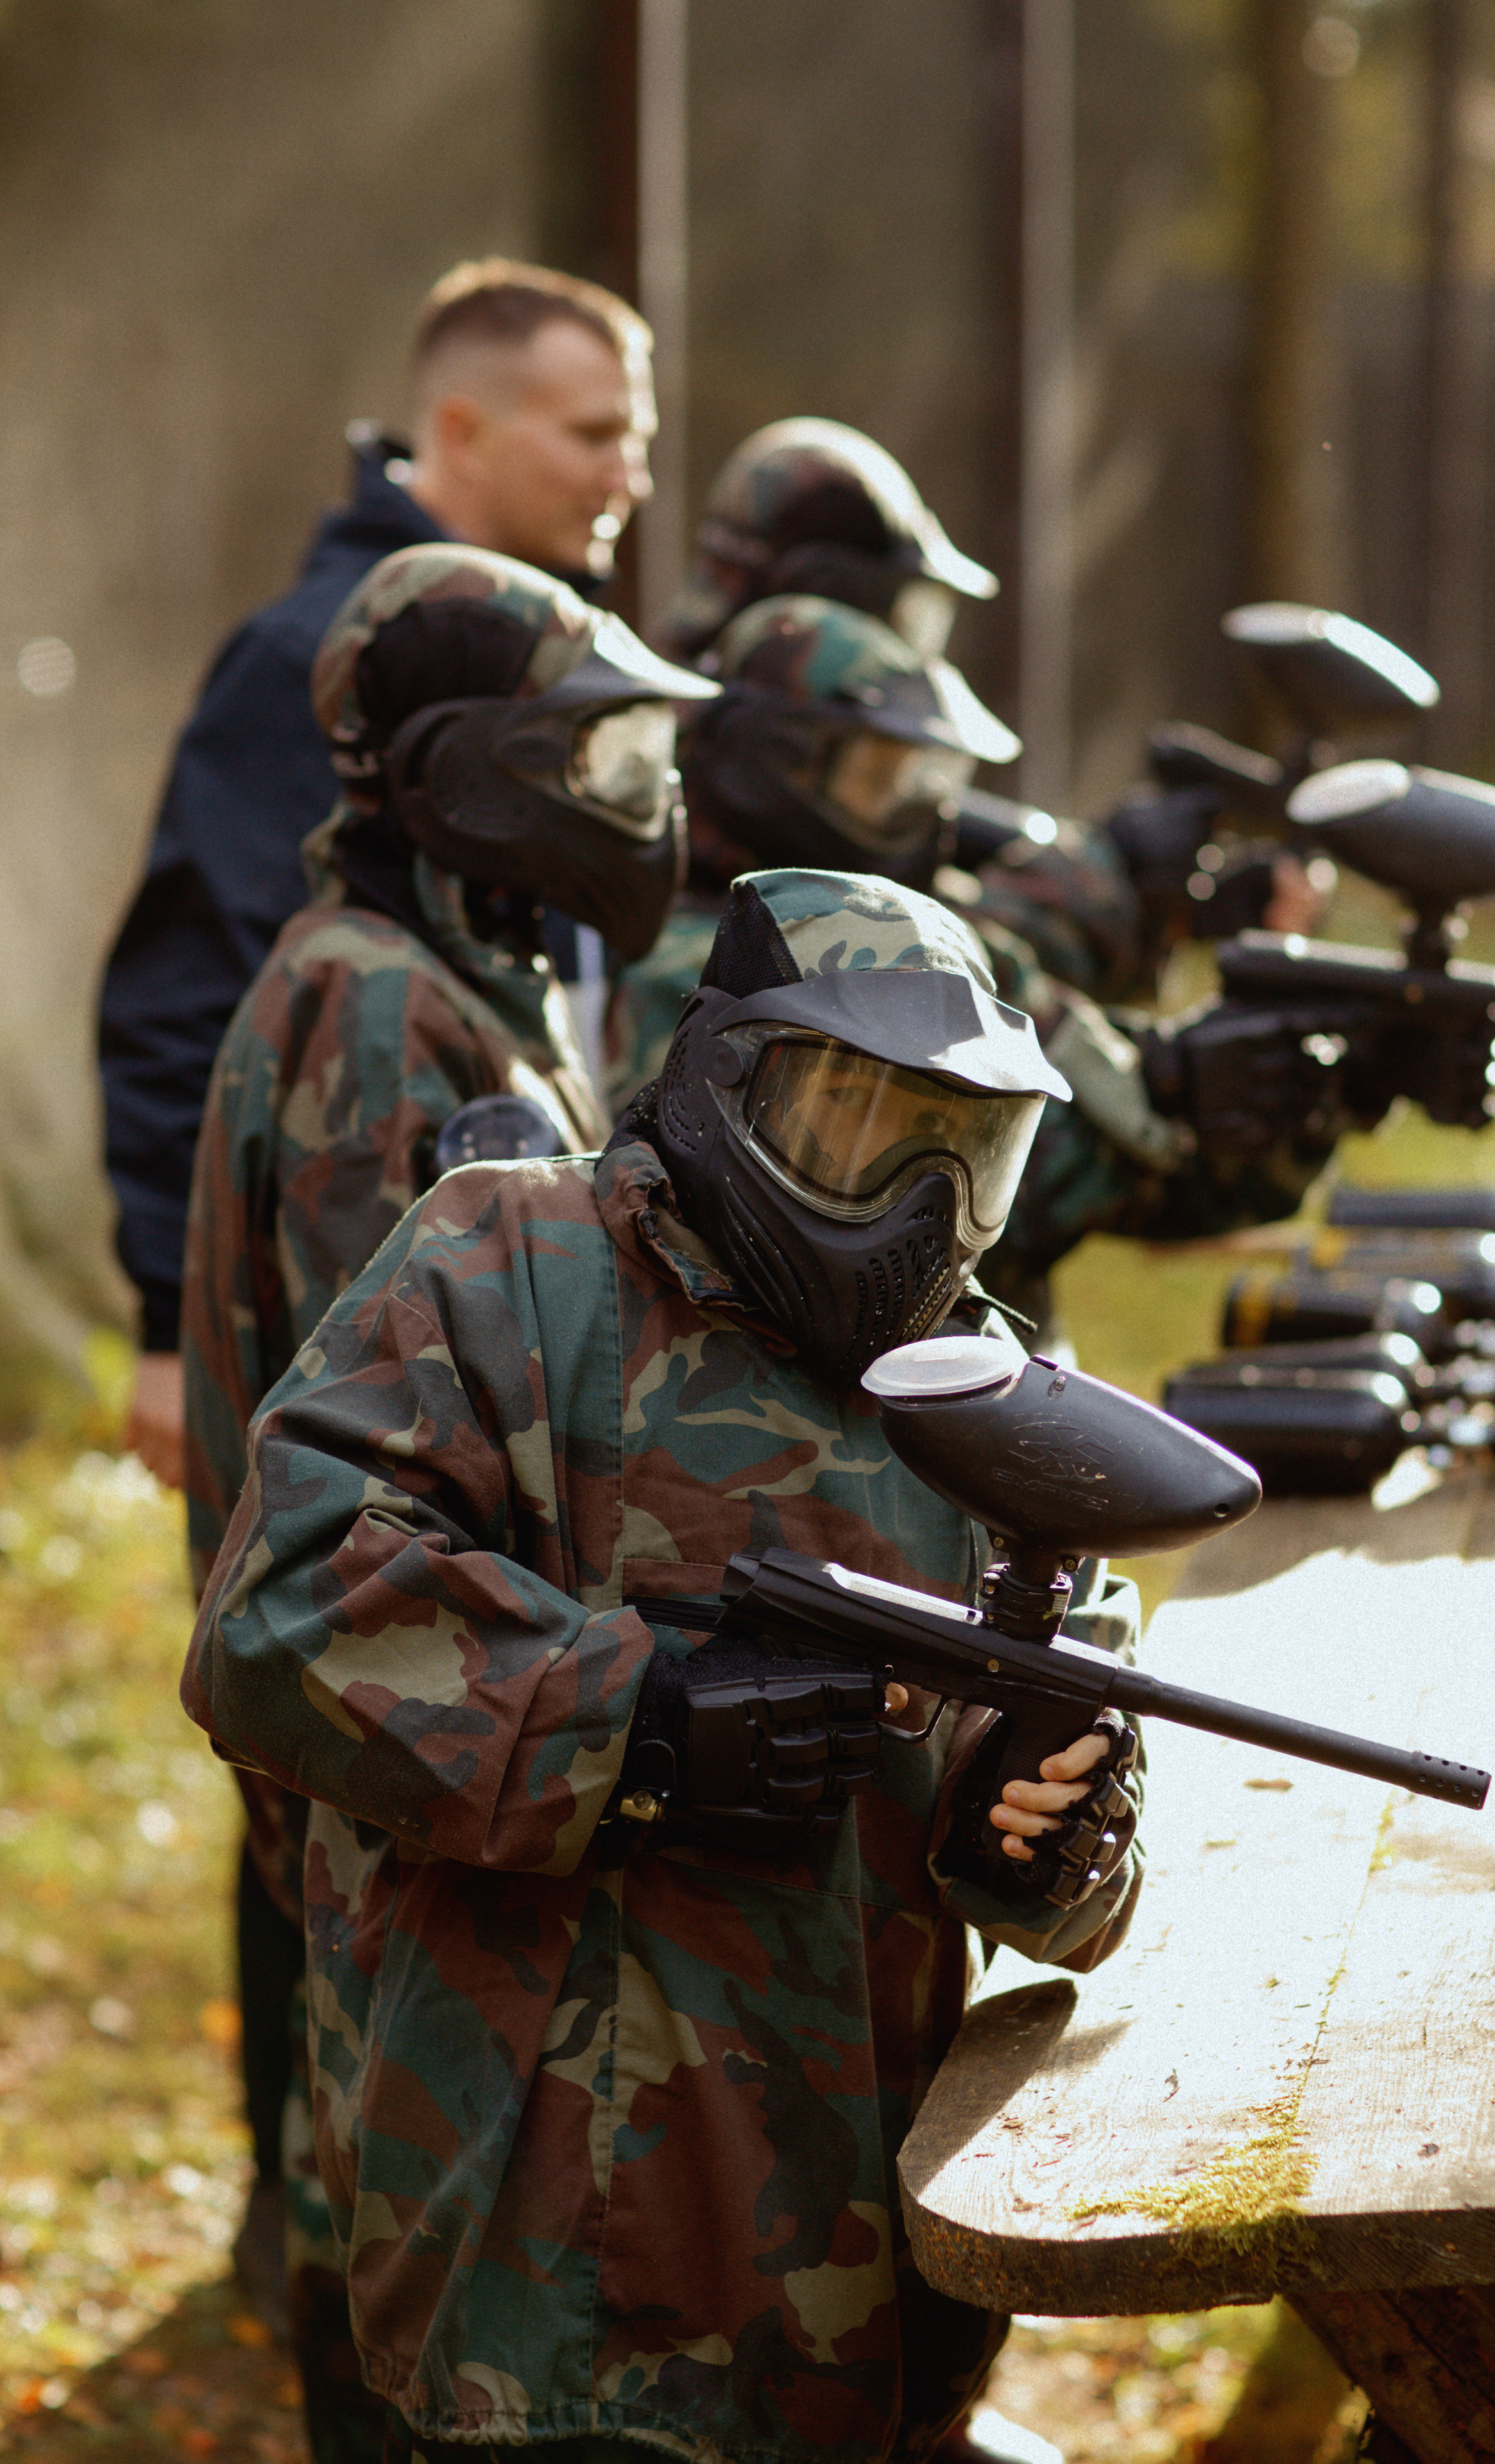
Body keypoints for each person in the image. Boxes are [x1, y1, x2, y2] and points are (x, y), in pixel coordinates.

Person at [184, 866, 1144, 2464]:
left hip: (866, 2245)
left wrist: (1043, 1815)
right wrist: (633, 1721)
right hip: (552, 2260)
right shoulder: (508, 1263)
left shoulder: (990, 1396)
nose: (910, 1197)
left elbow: (1081, 1750)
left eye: (960, 1149)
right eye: (857, 1120)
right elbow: (277, 1610)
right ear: (727, 1087)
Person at [181, 540, 713, 2412]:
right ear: (476, 772)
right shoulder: (383, 1013)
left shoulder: (435, 977)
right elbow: (391, 1471)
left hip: (447, 1756)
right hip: (417, 1770)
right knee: (443, 2290)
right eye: (601, 760)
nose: (639, 811)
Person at [100, 256, 654, 1491]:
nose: (635, 478)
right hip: (334, 1313)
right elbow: (189, 984)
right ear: (463, 428)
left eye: (640, 437)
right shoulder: (308, 657)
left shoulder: (561, 667)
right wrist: (160, 1320)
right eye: (596, 433)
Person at [610, 595, 1381, 1331]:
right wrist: (1173, 1083)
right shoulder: (699, 968)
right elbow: (973, 1187)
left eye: (922, 782)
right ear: (768, 762)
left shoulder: (933, 947)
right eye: (879, 780)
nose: (922, 817)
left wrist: (1325, 1084)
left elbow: (1167, 1187)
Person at [654, 416, 1325, 1006]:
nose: (914, 650)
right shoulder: (696, 769)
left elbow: (937, 867)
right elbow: (880, 957)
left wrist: (1157, 899)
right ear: (818, 593)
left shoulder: (720, 733)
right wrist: (1094, 877)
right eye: (907, 613)